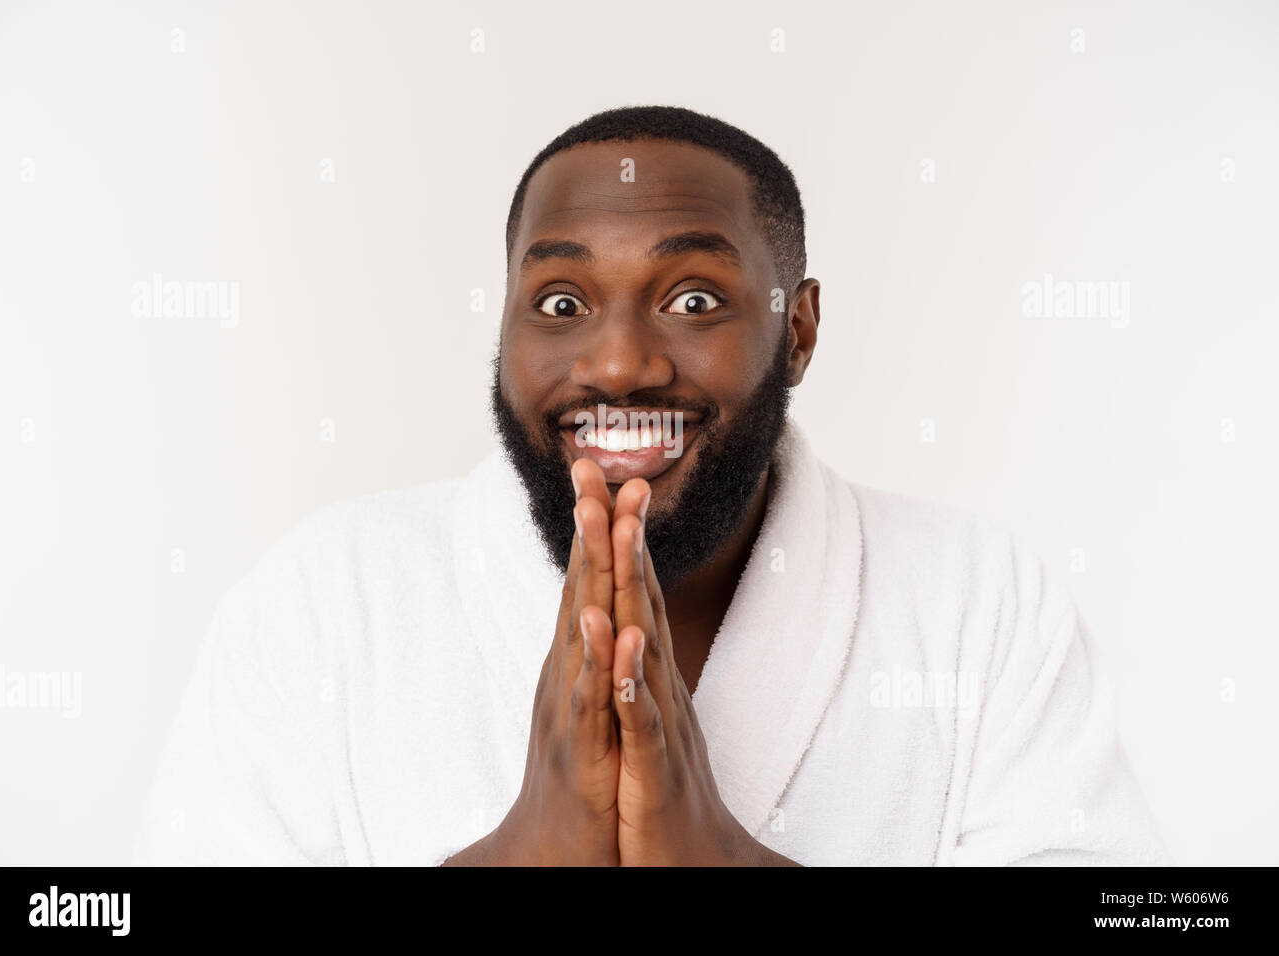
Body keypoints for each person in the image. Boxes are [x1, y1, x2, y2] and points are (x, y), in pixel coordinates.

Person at [133, 105, 1168, 866]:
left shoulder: (979, 606)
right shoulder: (322, 602)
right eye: (561, 299)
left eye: (691, 295)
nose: (619, 360)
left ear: (796, 328)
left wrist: (723, 859)